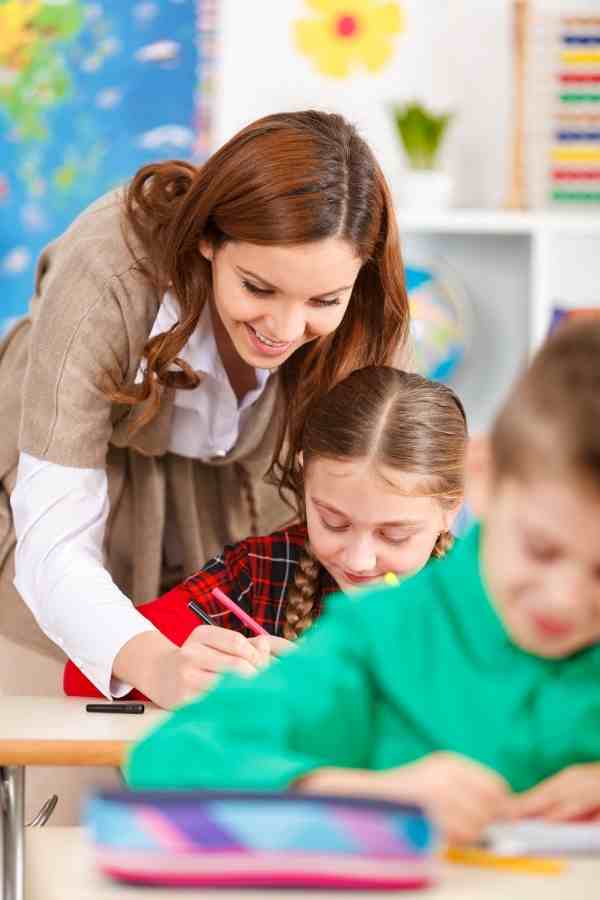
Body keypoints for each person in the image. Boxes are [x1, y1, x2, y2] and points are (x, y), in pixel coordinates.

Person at [126, 320, 600, 846]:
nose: (566, 598)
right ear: (483, 480)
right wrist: (356, 794)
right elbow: (167, 760)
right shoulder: (377, 637)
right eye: (541, 550)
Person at [0, 110, 410, 713]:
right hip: (49, 541)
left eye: (324, 300)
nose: (285, 329)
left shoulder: (370, 317)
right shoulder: (109, 272)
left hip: (233, 537)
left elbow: (396, 515)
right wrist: (158, 665)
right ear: (208, 238)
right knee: (62, 760)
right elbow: (53, 540)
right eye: (259, 288)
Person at [63, 366, 467, 700]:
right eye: (334, 522)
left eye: (394, 535)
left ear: (451, 509)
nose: (359, 560)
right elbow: (81, 675)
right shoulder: (259, 572)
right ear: (305, 479)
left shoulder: (492, 599)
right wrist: (175, 671)